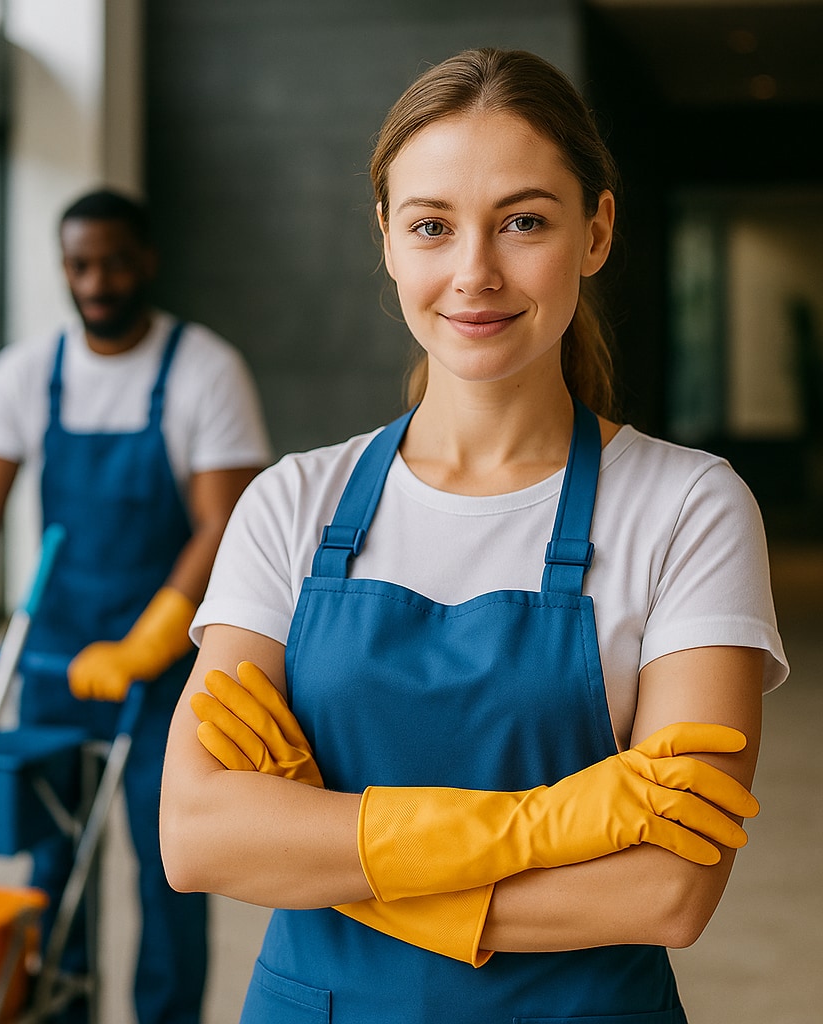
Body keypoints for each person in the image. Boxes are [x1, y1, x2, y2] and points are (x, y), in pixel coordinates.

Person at [158, 48, 789, 1023]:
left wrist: (317, 845)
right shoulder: (293, 502)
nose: (473, 273)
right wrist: (537, 826)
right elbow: (197, 835)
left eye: (523, 221)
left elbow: (665, 890)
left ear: (596, 230)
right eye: (431, 226)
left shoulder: (688, 507)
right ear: (386, 239)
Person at [0, 188, 271, 1024]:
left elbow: (226, 521)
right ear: (64, 268)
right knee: (52, 862)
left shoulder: (202, 369)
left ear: (145, 261)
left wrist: (149, 643)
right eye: (81, 264)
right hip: (56, 661)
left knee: (171, 865)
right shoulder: (25, 372)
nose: (98, 281)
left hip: (168, 672)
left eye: (114, 261)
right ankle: (57, 1012)